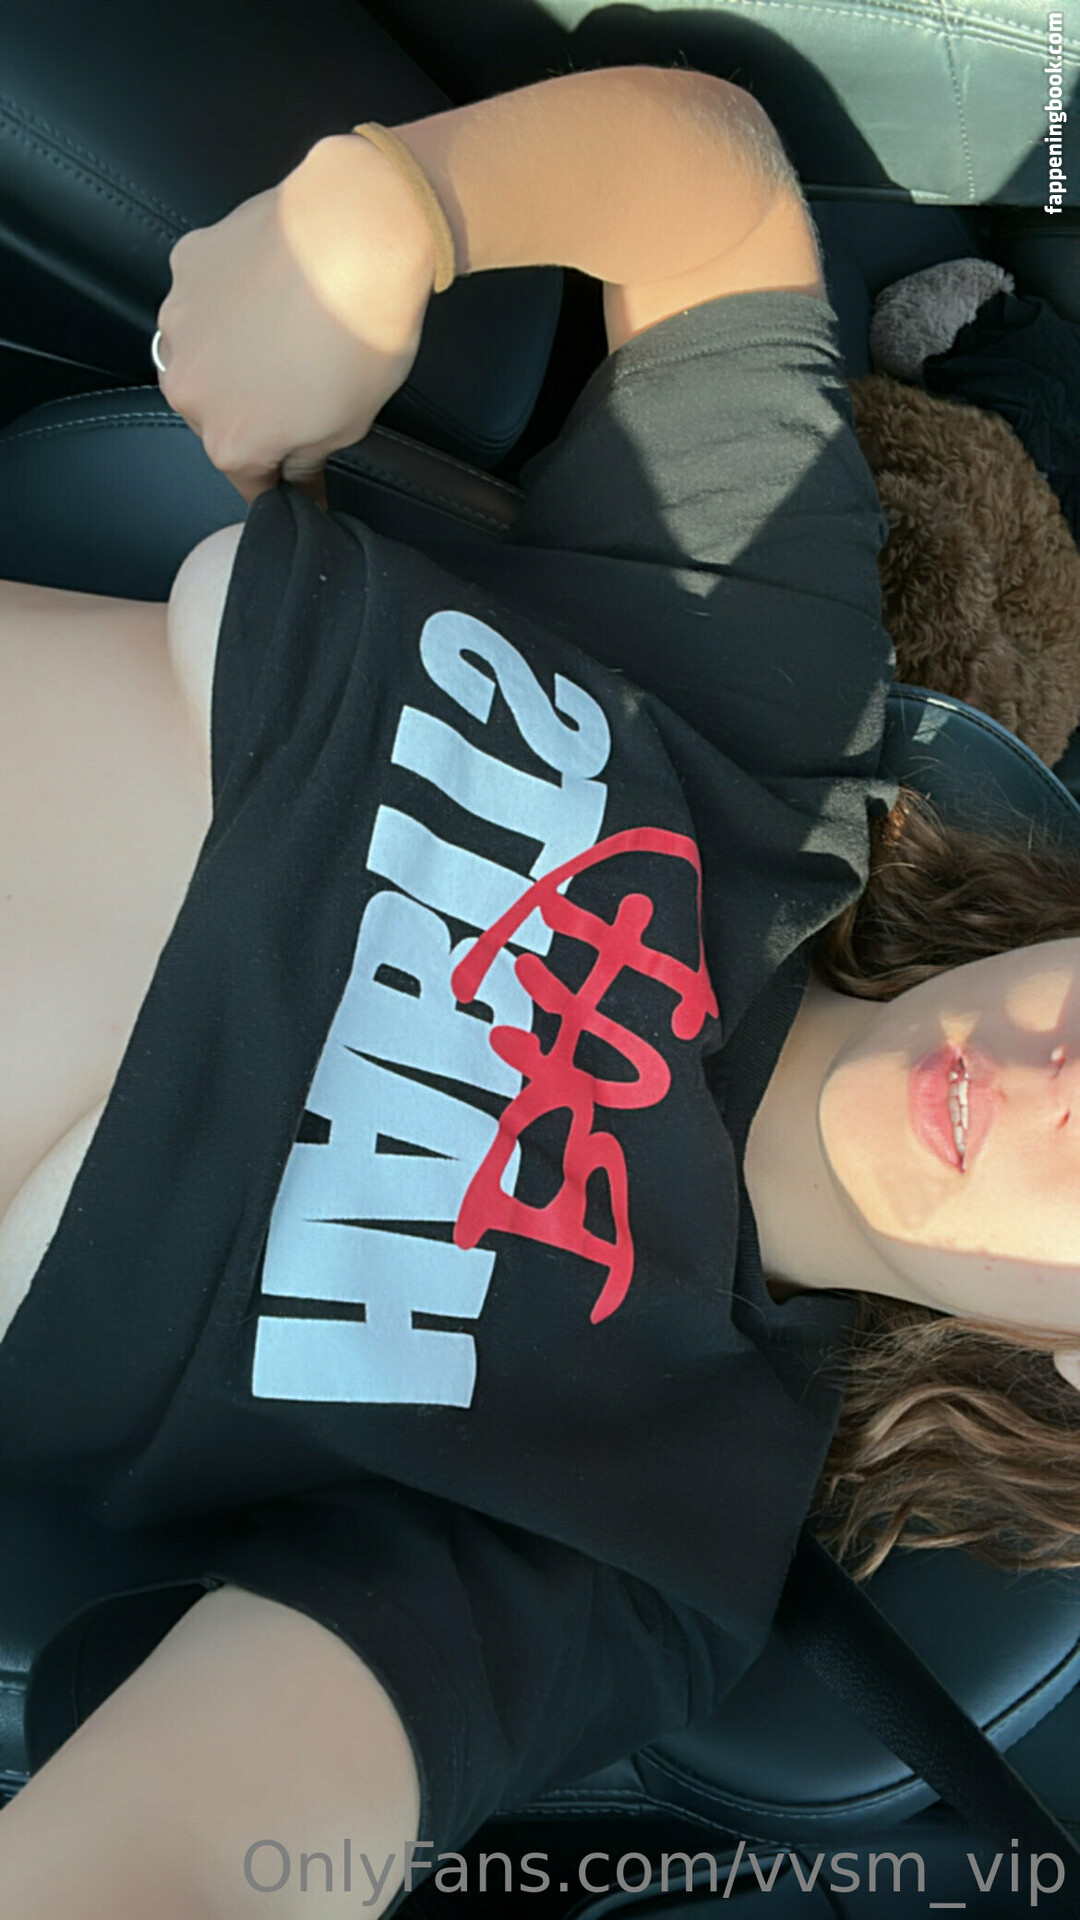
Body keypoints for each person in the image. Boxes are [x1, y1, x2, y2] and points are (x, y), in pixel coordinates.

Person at [2, 61, 1079, 1920]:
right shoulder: (775, 753)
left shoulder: (646, 1526)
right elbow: (717, 194)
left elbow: (192, 1850)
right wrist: (392, 214)